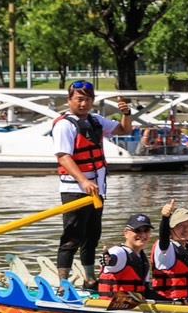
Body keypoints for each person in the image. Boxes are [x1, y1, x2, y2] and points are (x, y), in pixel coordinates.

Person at [52, 80, 134, 281]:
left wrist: (126, 114)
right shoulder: (64, 125)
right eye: (79, 100)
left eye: (87, 100)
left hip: (97, 190)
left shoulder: (95, 120)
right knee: (72, 237)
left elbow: (124, 131)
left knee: (92, 236)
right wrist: (83, 181)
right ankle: (63, 281)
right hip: (75, 190)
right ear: (69, 100)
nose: (83, 104)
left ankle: (90, 278)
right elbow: (63, 156)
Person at [151, 201, 188, 304]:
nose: (186, 229)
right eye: (180, 225)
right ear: (171, 230)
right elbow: (164, 239)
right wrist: (165, 218)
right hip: (169, 305)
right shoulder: (166, 248)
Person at [97, 212, 153, 301]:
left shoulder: (143, 259)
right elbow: (113, 258)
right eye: (138, 230)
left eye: (146, 230)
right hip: (112, 308)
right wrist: (108, 259)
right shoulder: (119, 252)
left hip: (134, 306)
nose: (143, 235)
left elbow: (146, 290)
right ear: (126, 233)